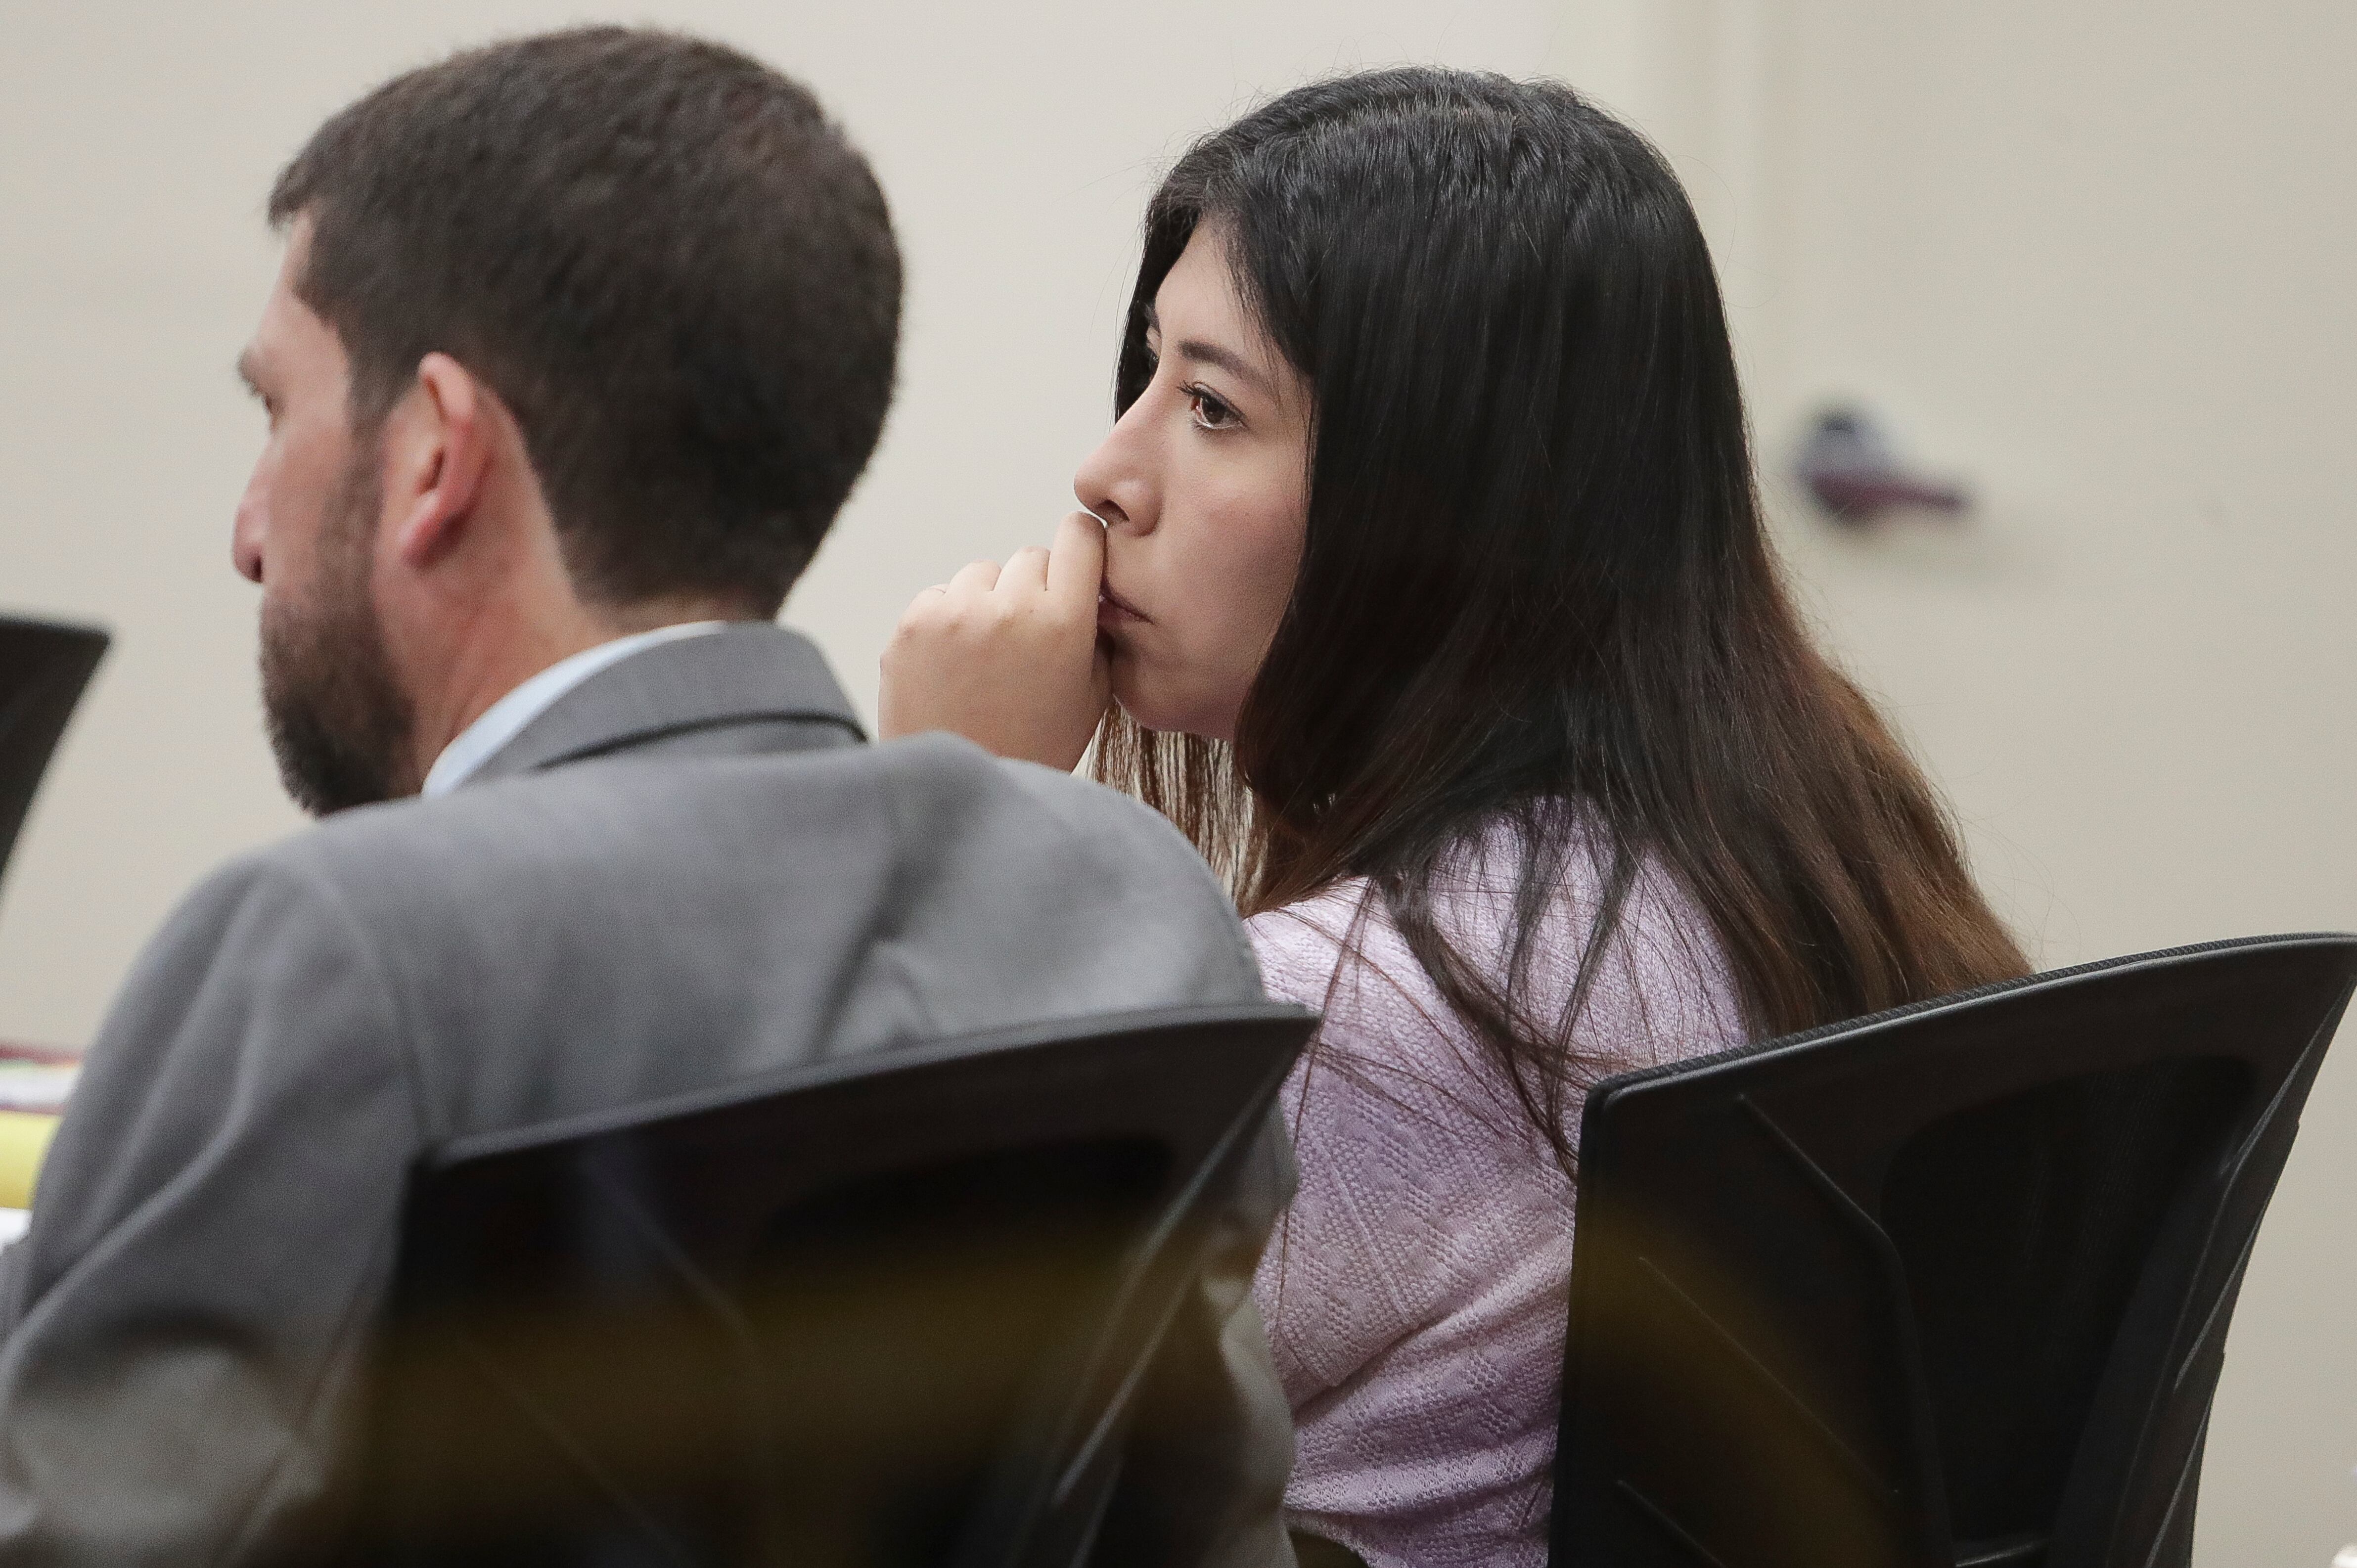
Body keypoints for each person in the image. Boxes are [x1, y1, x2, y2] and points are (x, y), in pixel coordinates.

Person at [0, 29, 1298, 1567]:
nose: (246, 531)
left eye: (276, 414)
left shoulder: (337, 946)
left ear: (435, 455)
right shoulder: (1141, 906)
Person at [878, 67, 2030, 1568]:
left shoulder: (1361, 1022)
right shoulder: (1785, 837)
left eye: (1215, 406)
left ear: (1441, 503)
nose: (1107, 472)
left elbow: (892, 1440)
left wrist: (965, 825)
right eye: (1149, 376)